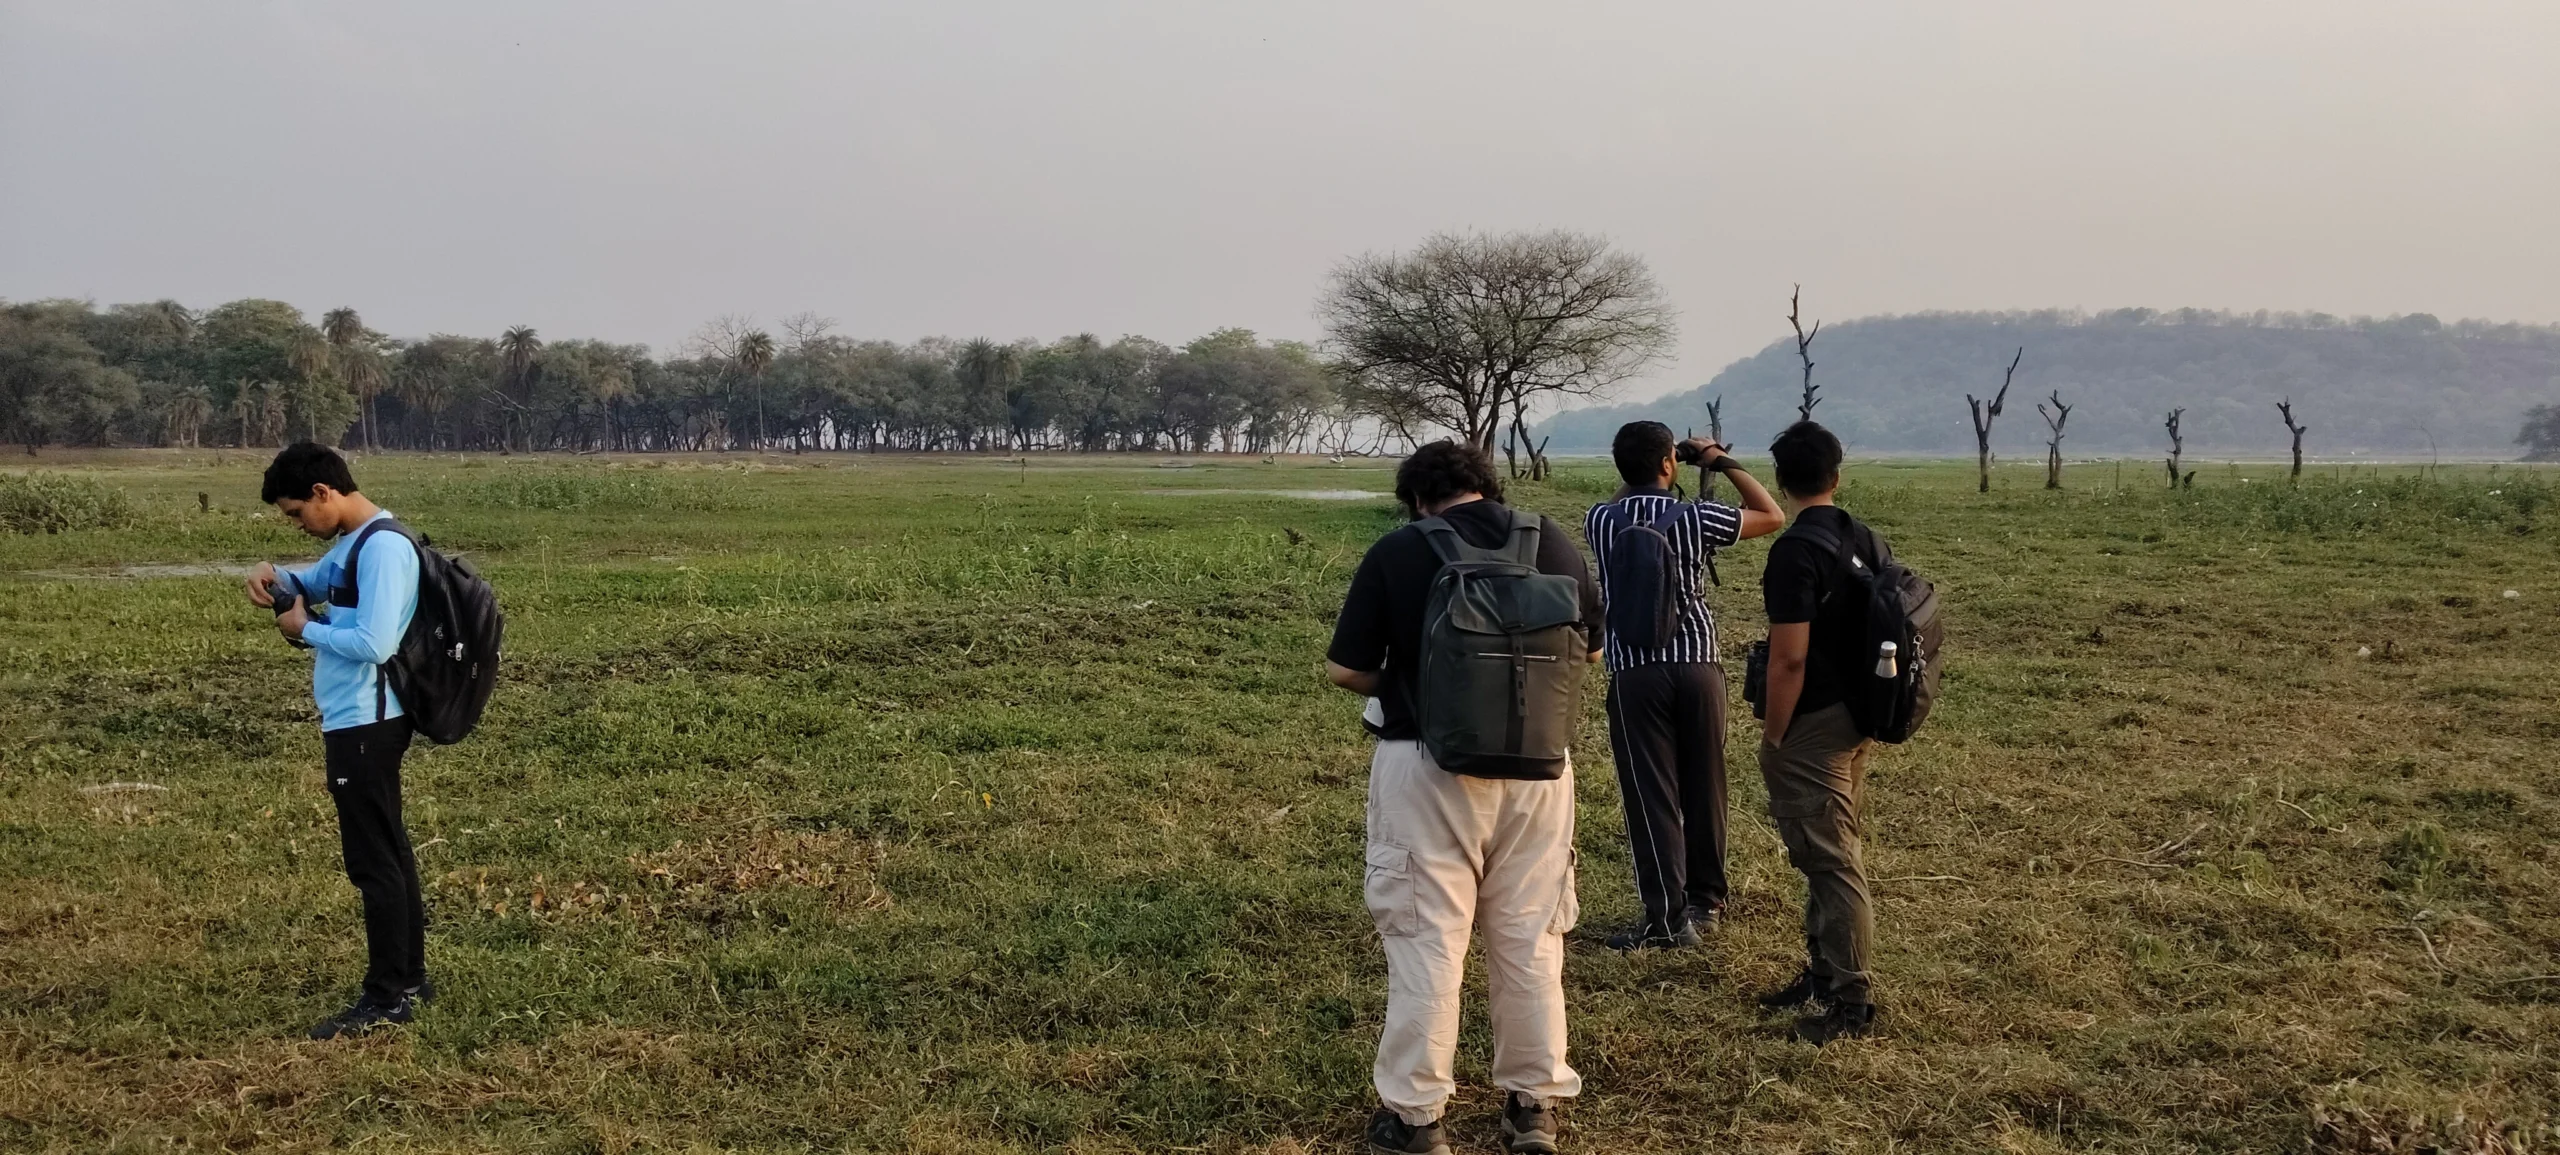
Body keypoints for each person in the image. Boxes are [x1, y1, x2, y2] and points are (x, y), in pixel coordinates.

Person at [1326, 440, 1603, 1155]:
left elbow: (1345, 669)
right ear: (1490, 486)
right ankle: (1533, 1107)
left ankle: (1417, 1117)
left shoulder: (1400, 550)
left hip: (1426, 768)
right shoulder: (1553, 543)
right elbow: (1591, 651)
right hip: (1540, 772)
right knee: (1531, 937)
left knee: (1427, 940)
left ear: (1418, 500)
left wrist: (1415, 680)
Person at [244, 443, 431, 1040]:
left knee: (373, 862)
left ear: (324, 493)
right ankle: (410, 981)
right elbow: (310, 580)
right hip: (358, 718)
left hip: (367, 722)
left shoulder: (383, 549)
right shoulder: (353, 544)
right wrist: (274, 576)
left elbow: (376, 643)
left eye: (297, 513)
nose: (298, 524)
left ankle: (386, 1000)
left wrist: (305, 629)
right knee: (389, 850)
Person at [1582, 422, 1783, 951]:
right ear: (1670, 464)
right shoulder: (1696, 517)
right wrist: (1716, 459)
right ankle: (1706, 900)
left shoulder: (1600, 519)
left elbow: (1625, 498)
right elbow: (1771, 514)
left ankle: (1666, 920)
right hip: (1698, 666)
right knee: (1705, 784)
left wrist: (1649, 469)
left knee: (1651, 795)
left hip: (1634, 672)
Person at [1753, 420, 1882, 1044]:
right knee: (1827, 845)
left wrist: (1775, 734)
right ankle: (1823, 972)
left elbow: (1789, 661)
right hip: (1858, 714)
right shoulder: (1863, 537)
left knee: (1832, 860)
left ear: (1782, 479)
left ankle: (1852, 999)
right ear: (1837, 475)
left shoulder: (1795, 551)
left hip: (1813, 721)